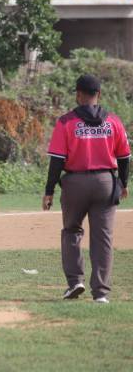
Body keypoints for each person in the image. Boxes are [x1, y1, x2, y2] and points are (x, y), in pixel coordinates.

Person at [43, 74, 130, 304]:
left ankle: (75, 282)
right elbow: (124, 157)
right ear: (98, 95)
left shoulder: (66, 122)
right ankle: (101, 293)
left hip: (75, 184)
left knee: (71, 230)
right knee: (103, 239)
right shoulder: (113, 121)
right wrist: (124, 183)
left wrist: (49, 190)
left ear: (78, 94)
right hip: (105, 182)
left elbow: (57, 161)